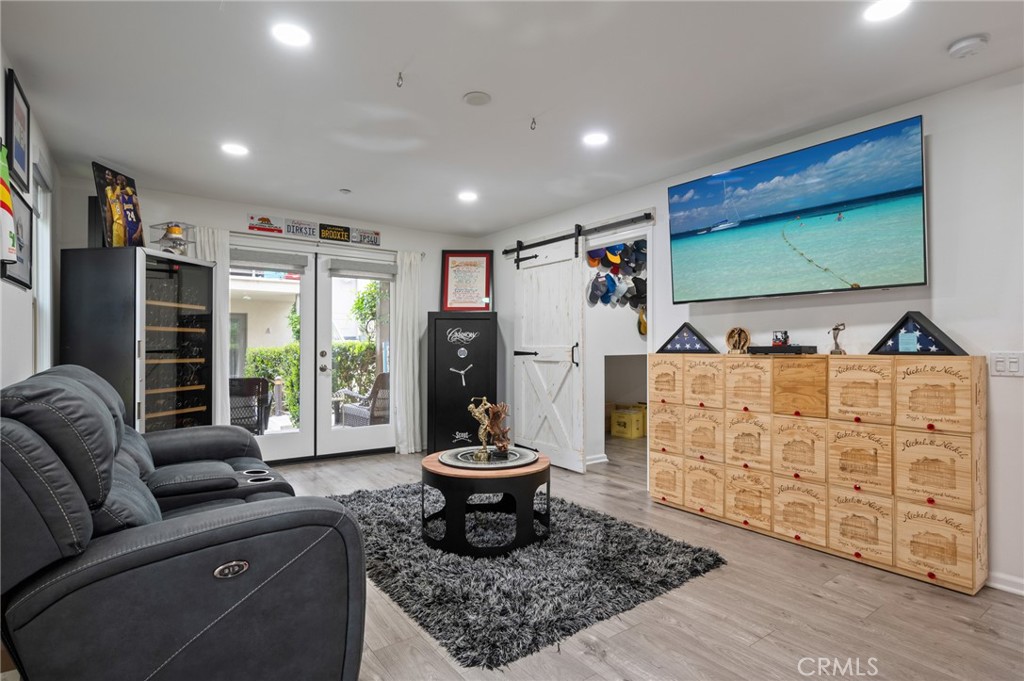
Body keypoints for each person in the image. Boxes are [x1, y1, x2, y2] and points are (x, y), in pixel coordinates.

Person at [116, 174, 143, 245]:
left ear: (124, 182)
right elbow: (124, 218)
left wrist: (138, 232)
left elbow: (142, 219)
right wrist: (124, 235)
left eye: (120, 182)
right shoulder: (121, 198)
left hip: (136, 229)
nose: (118, 184)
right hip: (128, 230)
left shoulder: (134, 198)